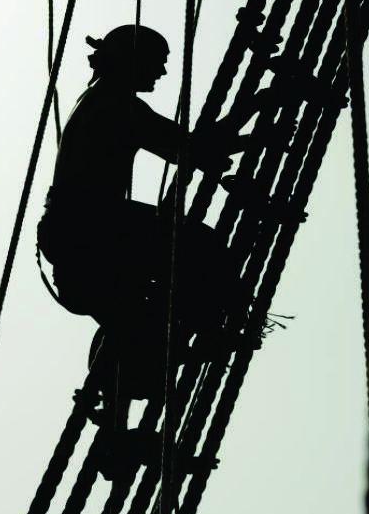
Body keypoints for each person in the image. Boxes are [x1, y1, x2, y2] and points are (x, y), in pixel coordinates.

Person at [37, 24, 246, 401]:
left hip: (77, 242)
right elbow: (191, 149)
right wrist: (254, 106)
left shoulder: (99, 99)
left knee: (150, 314)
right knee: (204, 247)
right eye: (158, 63)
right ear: (131, 59)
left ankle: (133, 367)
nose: (163, 73)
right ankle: (220, 330)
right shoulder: (116, 104)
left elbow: (192, 149)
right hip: (92, 235)